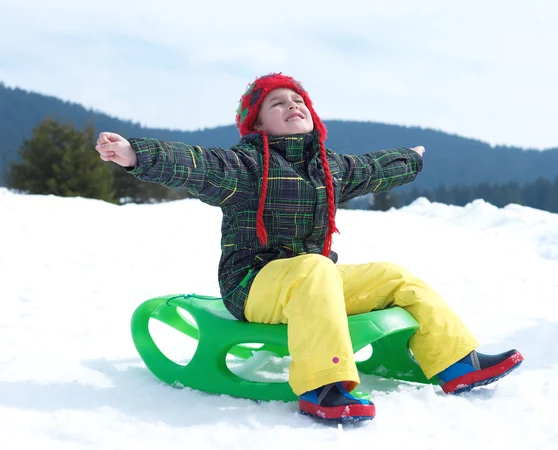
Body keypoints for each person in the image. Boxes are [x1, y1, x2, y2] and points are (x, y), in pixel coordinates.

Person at [95, 73, 523, 423]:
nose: (292, 106)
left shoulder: (329, 167)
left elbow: (370, 170)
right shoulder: (246, 167)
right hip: (253, 286)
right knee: (316, 269)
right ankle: (323, 384)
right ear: (258, 124)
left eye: (298, 100)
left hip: (312, 284)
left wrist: (409, 158)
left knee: (392, 275)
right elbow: (197, 163)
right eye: (277, 104)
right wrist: (136, 154)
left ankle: (457, 363)